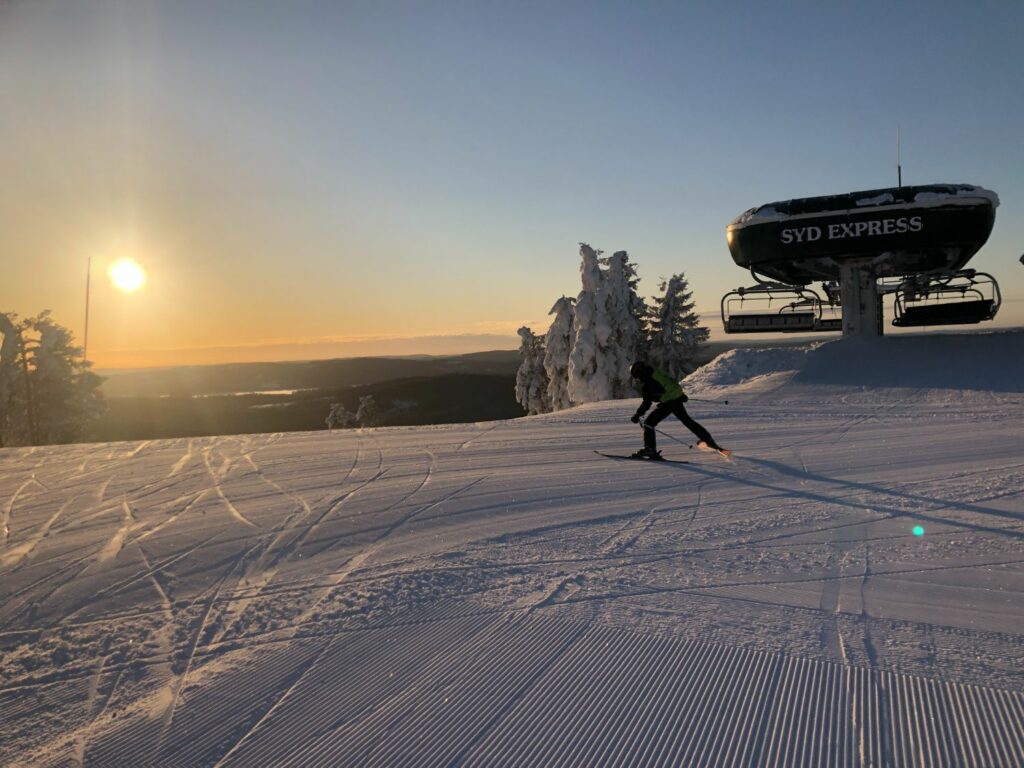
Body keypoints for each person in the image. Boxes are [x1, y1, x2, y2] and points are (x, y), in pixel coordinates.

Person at [629, 361, 728, 459]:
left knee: (649, 423)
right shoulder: (656, 373)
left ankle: (650, 449)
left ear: (639, 373)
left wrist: (638, 414)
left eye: (637, 376)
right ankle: (709, 441)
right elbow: (671, 383)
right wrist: (680, 395)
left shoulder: (648, 383)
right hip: (676, 400)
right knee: (688, 422)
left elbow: (647, 403)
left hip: (669, 402)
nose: (638, 379)